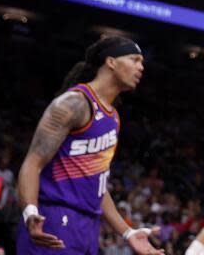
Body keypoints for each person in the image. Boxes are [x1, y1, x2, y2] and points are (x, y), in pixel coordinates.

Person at [16, 36, 163, 255]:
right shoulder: (74, 103)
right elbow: (32, 163)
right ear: (111, 62)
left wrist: (127, 232)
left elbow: (97, 186)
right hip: (55, 217)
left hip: (88, 226)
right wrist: (30, 211)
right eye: (134, 59)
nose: (141, 67)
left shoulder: (113, 117)